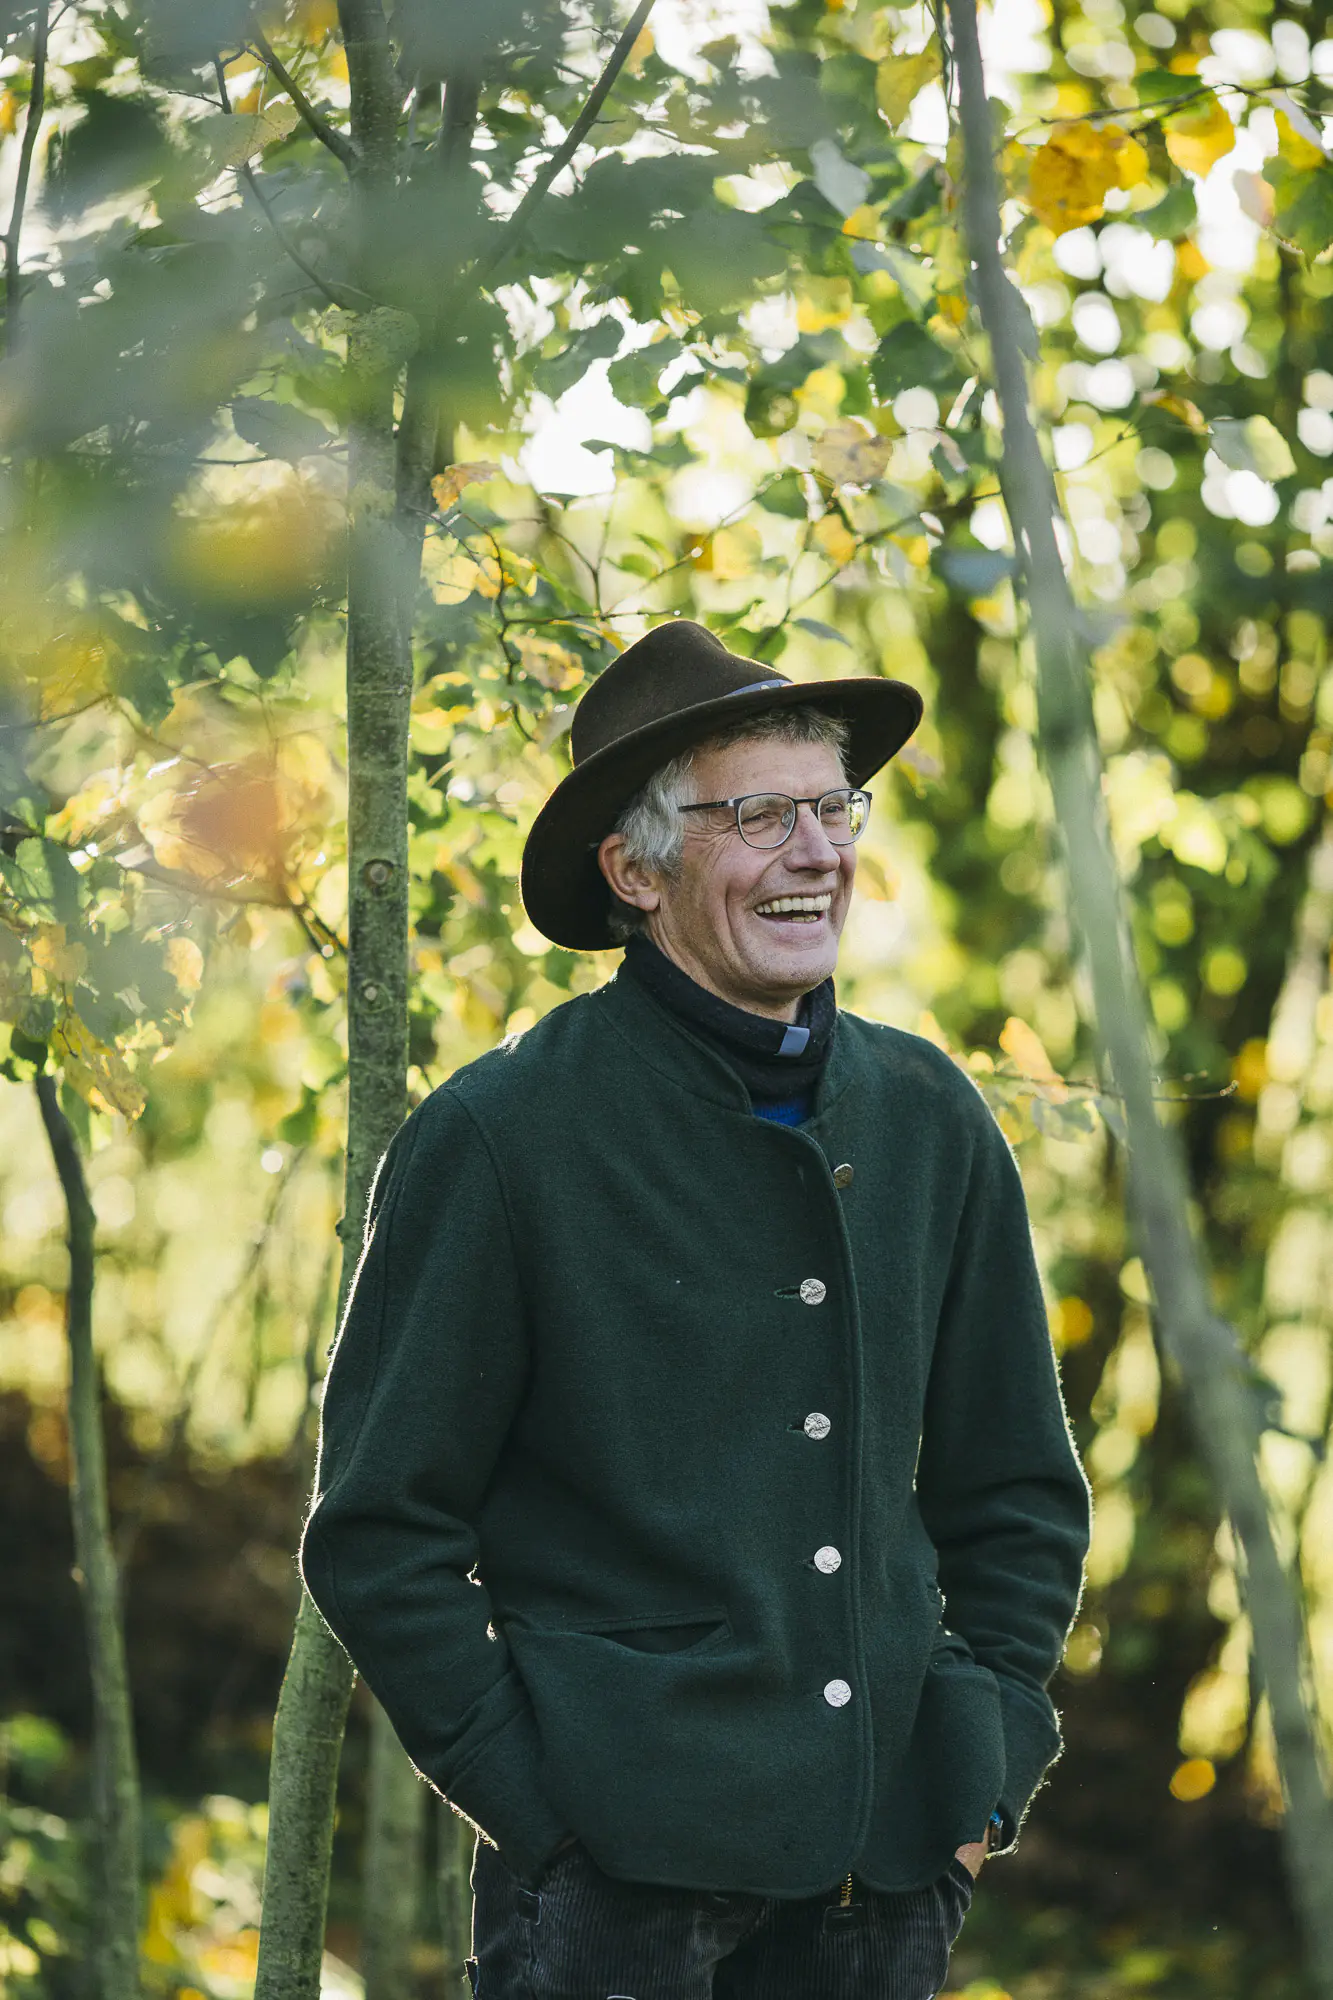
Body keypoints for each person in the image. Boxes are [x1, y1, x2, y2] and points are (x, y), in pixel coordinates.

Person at [301, 618, 1092, 1999]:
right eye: (760, 815)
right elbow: (379, 1530)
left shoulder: (933, 1118)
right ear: (635, 868)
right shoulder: (500, 1137)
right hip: (613, 1898)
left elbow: (1019, 1489)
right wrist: (545, 1811)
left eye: (834, 807)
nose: (819, 851)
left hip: (886, 1875)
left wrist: (988, 1750)